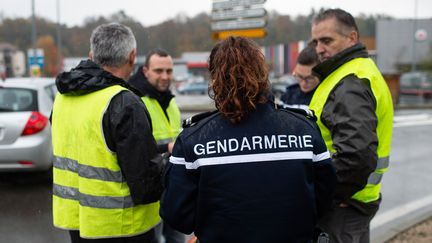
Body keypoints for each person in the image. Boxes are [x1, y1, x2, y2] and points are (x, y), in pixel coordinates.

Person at [160, 36, 336, 242]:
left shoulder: (193, 139)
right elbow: (324, 201)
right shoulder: (304, 130)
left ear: (216, 79)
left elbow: (177, 216)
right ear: (262, 74)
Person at [51, 23, 164, 243]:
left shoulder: (62, 99)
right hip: (124, 228)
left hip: (78, 223)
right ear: (132, 56)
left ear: (91, 55)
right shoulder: (123, 102)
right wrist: (169, 164)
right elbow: (145, 184)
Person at [309, 8, 394, 243]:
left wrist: (320, 196)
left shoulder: (351, 82)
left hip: (343, 207)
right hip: (352, 205)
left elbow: (355, 157)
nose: (319, 49)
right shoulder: (354, 73)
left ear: (352, 38)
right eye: (316, 41)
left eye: (327, 40)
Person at [129, 49, 184, 243]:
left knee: (176, 237)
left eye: (169, 71)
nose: (165, 76)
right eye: (158, 71)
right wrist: (167, 147)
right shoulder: (134, 101)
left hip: (174, 185)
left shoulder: (169, 100)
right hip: (151, 188)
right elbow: (133, 148)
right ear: (145, 71)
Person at [280, 43, 320, 109]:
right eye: (299, 76)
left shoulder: (327, 99)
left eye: (309, 78)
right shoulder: (288, 95)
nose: (303, 83)